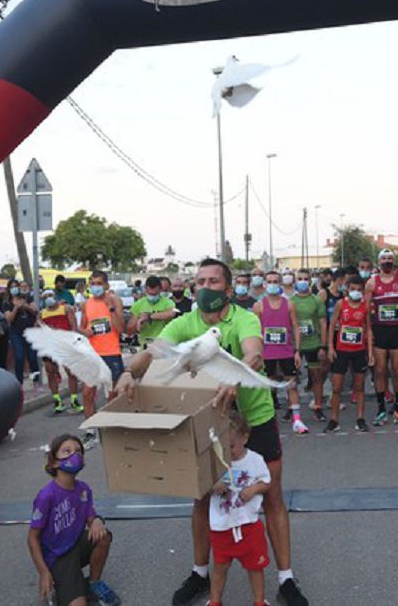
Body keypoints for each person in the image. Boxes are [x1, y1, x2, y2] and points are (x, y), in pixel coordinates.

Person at [117, 259, 308, 606]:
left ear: (229, 289)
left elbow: (254, 354)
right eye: (200, 280)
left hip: (255, 418)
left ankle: (286, 579)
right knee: (202, 497)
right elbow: (151, 352)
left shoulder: (245, 318)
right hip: (207, 422)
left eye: (214, 281)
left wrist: (234, 377)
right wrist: (129, 372)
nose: (206, 286)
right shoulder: (183, 323)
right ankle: (199, 572)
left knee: (272, 496)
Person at [28, 433, 120, 606]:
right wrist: (43, 572)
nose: (75, 455)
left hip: (76, 545)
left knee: (103, 536)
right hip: (58, 557)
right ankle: (62, 587)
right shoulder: (46, 496)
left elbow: (91, 517)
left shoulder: (83, 489)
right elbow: (32, 537)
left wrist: (97, 520)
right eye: (67, 451)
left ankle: (93, 584)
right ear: (54, 462)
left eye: (78, 451)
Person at [208, 412, 272, 606]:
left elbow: (266, 482)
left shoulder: (255, 460)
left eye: (232, 446)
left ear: (245, 438)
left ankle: (259, 601)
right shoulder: (216, 460)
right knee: (219, 567)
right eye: (224, 447)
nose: (228, 451)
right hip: (222, 526)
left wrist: (254, 489)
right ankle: (215, 601)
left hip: (248, 524)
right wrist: (214, 486)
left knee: (255, 567)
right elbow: (202, 485)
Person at [253, 272, 309, 435]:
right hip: (267, 354)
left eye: (275, 281)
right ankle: (268, 421)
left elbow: (295, 327)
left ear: (280, 284)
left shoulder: (288, 304)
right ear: (264, 284)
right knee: (268, 388)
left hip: (286, 353)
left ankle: (297, 420)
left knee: (291, 385)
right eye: (269, 281)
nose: (272, 284)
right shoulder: (259, 306)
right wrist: (257, 352)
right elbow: (255, 331)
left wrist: (297, 351)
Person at [79, 271, 125, 446]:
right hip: (92, 354)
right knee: (87, 393)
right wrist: (86, 332)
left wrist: (111, 308)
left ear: (106, 285)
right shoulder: (86, 304)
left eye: (98, 283)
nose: (95, 287)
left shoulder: (115, 301)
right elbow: (81, 327)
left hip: (111, 353)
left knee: (112, 394)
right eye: (92, 283)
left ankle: (112, 428)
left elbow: (120, 329)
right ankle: (91, 431)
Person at [365, 249, 398, 425]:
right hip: (380, 331)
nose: (387, 261)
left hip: (397, 331)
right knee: (380, 370)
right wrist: (370, 332)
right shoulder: (371, 283)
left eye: (390, 258)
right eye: (384, 259)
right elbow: (366, 310)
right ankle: (381, 407)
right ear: (379, 262)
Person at [325, 272, 372, 433]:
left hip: (359, 351)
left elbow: (369, 329)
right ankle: (334, 419)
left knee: (359, 387)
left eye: (359, 289)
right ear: (347, 289)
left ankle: (360, 418)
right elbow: (332, 326)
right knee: (337, 387)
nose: (356, 292)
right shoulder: (340, 304)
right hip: (342, 350)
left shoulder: (365, 305)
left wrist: (370, 353)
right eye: (353, 289)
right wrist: (330, 348)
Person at [291, 269, 328, 422]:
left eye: (306, 279)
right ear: (295, 281)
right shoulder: (290, 301)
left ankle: (318, 407)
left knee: (316, 377)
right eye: (300, 278)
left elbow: (323, 323)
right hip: (296, 346)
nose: (303, 281)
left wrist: (323, 346)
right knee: (292, 379)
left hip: (313, 343)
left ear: (310, 281)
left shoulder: (316, 300)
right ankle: (292, 409)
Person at [39, 289, 84, 414]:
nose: (48, 298)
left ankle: (74, 400)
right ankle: (57, 401)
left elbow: (73, 326)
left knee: (71, 372)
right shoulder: (42, 313)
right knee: (50, 373)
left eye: (50, 295)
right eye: (45, 297)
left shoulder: (66, 309)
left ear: (55, 296)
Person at [4, 283, 40, 383]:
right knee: (19, 357)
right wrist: (16, 307)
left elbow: (35, 311)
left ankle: (36, 380)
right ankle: (19, 382)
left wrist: (25, 306)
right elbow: (9, 318)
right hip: (16, 334)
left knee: (32, 357)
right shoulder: (7, 303)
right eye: (12, 287)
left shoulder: (27, 298)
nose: (14, 288)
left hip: (30, 332)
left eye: (16, 286)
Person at [128, 276, 177, 349]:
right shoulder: (138, 305)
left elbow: (171, 314)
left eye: (155, 294)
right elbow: (129, 330)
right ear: (145, 290)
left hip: (164, 345)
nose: (152, 296)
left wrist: (149, 316)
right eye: (150, 294)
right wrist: (137, 324)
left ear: (160, 290)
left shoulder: (168, 302)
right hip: (146, 346)